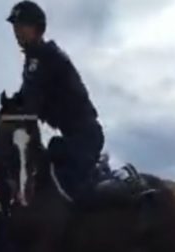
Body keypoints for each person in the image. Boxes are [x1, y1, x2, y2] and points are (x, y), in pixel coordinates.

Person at [6, 0, 110, 201]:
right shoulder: (34, 60)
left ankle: (107, 177)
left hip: (84, 137)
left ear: (37, 28)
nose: (17, 31)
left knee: (72, 192)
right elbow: (23, 97)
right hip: (71, 136)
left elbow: (30, 104)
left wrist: (10, 115)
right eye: (15, 27)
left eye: (21, 25)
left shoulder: (45, 58)